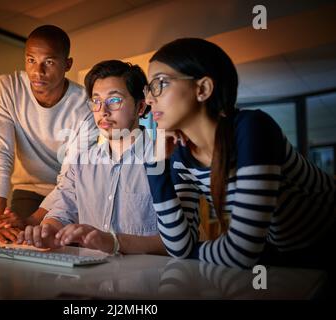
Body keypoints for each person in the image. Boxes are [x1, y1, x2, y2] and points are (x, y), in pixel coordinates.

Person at [143, 38, 336, 270]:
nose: (148, 99)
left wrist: (193, 253)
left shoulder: (253, 128)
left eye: (160, 83)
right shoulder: (180, 155)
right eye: (149, 88)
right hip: (283, 256)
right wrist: (155, 163)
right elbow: (177, 245)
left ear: (202, 89)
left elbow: (239, 252)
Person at [14, 60, 166, 255]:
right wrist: (49, 230)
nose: (103, 111)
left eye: (114, 100)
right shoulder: (80, 163)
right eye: (96, 101)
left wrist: (113, 242)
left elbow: (179, 242)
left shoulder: (164, 161)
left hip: (151, 280)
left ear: (140, 106)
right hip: (90, 280)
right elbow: (62, 211)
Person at [0, 25, 96, 243]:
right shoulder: (8, 88)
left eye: (49, 62)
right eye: (31, 60)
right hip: (28, 189)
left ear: (67, 65)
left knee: (61, 250)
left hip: (72, 195)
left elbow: (73, 176)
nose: (37, 72)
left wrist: (34, 221)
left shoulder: (84, 105)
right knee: (12, 244)